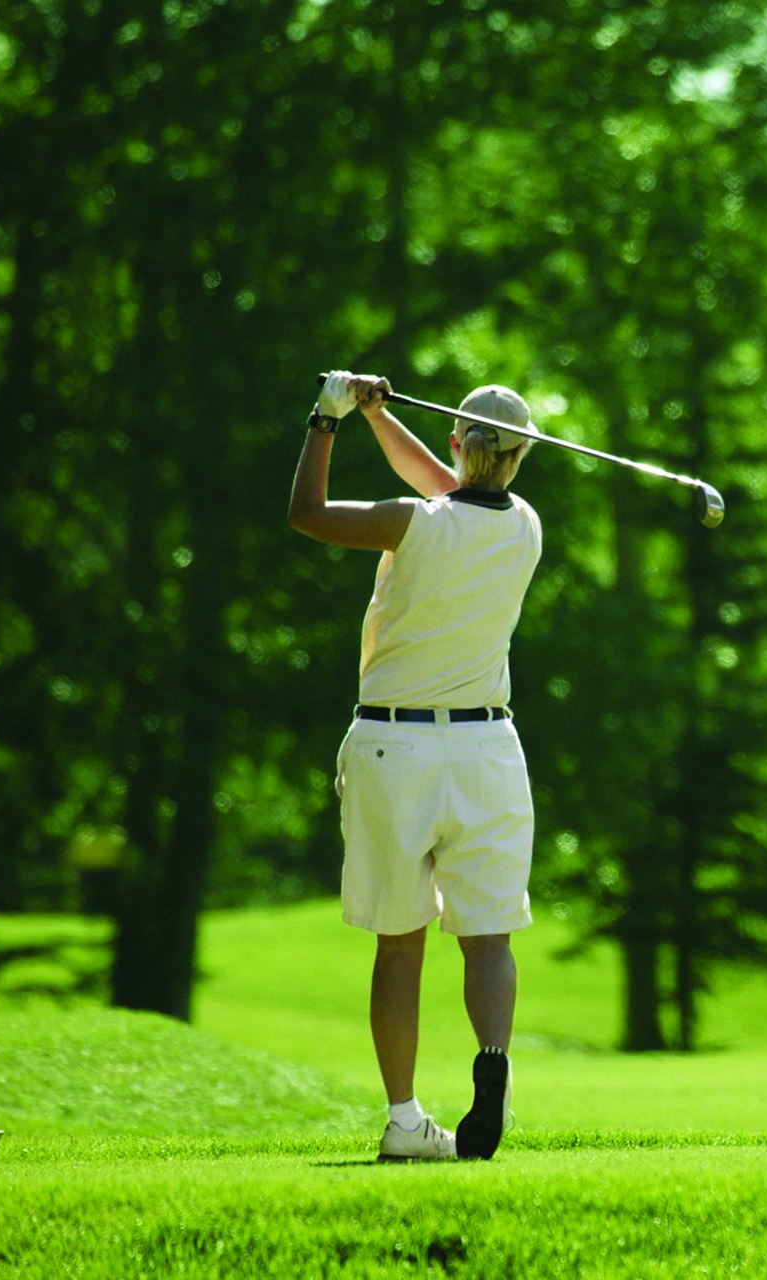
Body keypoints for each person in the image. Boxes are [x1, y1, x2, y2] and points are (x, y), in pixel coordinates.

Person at [287, 369, 542, 1162]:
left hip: (395, 747)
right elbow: (449, 481)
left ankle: (405, 1120)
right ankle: (491, 1064)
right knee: (489, 937)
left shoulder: (413, 525)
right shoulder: (526, 526)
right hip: (487, 750)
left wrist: (326, 419)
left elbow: (308, 515)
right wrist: (377, 417)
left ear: (462, 443)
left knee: (401, 943)